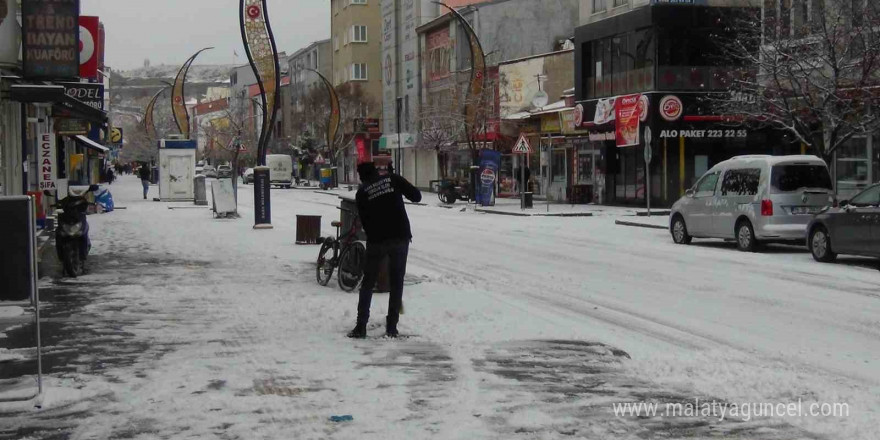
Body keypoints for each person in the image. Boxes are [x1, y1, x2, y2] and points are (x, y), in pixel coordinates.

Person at [347, 162, 422, 338]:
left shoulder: (362, 193)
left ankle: (361, 326)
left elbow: (364, 223)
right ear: (376, 171)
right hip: (400, 237)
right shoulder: (392, 179)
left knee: (367, 283)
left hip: (377, 241)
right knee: (397, 283)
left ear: (361, 177)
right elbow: (416, 196)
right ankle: (391, 327)